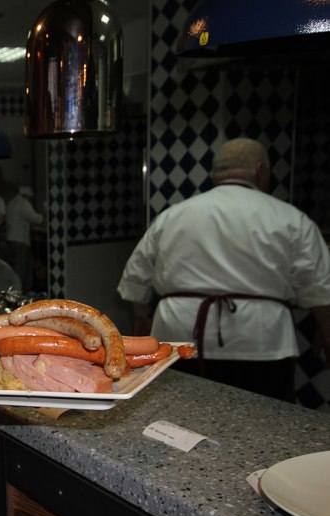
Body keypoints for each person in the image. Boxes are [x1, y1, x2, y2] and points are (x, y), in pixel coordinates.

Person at [117, 137, 330, 402]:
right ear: (261, 170)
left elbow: (135, 281)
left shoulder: (172, 217)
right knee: (263, 425)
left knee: (178, 417)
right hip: (260, 342)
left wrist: (142, 320)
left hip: (179, 337)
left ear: (217, 173)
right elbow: (320, 290)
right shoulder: (290, 219)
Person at [5, 185, 44, 291]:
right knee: (21, 268)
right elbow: (35, 218)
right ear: (27, 196)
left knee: (27, 264)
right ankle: (18, 292)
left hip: (11, 238)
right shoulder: (23, 203)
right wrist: (44, 214)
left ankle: (25, 289)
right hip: (20, 239)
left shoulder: (11, 202)